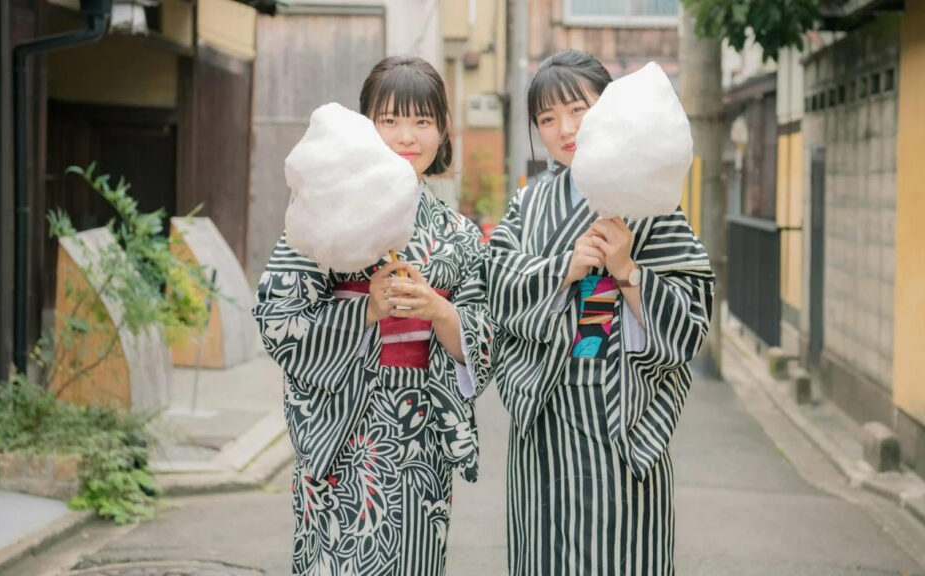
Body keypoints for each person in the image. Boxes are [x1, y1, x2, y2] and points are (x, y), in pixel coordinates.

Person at [253, 56, 493, 576]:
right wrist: (367, 308)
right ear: (365, 126)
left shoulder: (459, 234)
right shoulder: (323, 209)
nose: (407, 137)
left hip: (420, 436)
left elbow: (486, 338)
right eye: (390, 121)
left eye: (422, 121)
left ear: (442, 130)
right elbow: (277, 318)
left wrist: (440, 311)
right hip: (342, 432)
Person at [486, 49, 716, 575]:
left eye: (577, 110)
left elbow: (691, 316)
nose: (563, 129)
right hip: (545, 415)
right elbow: (495, 285)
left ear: (608, 109)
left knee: (621, 554)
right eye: (546, 119)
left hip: (618, 417)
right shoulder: (529, 205)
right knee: (544, 555)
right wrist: (566, 268)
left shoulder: (653, 202)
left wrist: (628, 270)